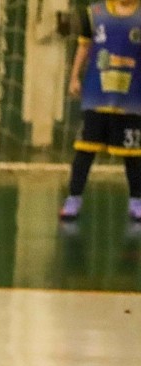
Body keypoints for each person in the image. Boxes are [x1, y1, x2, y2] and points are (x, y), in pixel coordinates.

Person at [60, 0, 141, 221]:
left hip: (131, 98)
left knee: (133, 155)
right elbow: (84, 47)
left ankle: (137, 201)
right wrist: (74, 76)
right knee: (84, 151)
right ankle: (74, 198)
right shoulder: (94, 13)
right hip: (97, 94)